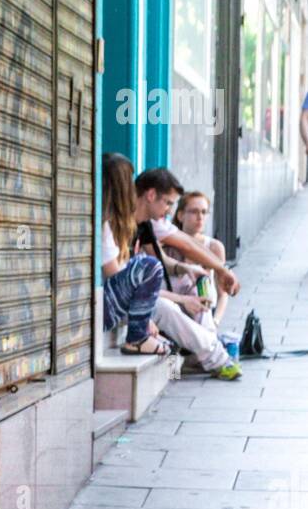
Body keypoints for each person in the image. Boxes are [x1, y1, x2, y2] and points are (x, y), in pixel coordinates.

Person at [134, 168, 241, 380]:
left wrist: (212, 269)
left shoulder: (150, 224)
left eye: (204, 212)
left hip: (145, 297)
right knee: (166, 307)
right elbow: (128, 283)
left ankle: (207, 355)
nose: (169, 210)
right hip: (132, 300)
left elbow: (186, 245)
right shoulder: (120, 224)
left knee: (193, 288)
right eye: (168, 203)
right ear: (151, 195)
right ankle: (215, 357)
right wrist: (184, 297)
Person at [101, 153, 168, 355]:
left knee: (170, 347)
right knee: (150, 266)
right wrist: (142, 319)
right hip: (103, 307)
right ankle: (137, 338)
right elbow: (113, 274)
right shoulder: (103, 225)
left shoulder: (116, 225)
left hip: (112, 304)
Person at [171, 190, 230, 327]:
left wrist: (216, 321)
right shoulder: (169, 245)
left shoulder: (214, 246)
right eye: (194, 211)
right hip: (178, 309)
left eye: (204, 212)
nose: (200, 217)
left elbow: (223, 294)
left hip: (206, 311)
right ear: (180, 215)